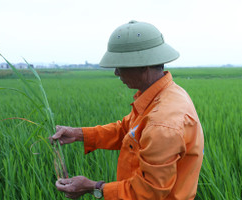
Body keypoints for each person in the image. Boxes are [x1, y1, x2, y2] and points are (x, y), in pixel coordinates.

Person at [52, 20, 204, 199]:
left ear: (142, 66)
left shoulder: (162, 123)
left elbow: (149, 193)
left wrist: (93, 187)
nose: (116, 73)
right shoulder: (164, 93)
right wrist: (79, 134)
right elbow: (127, 129)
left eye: (120, 66)